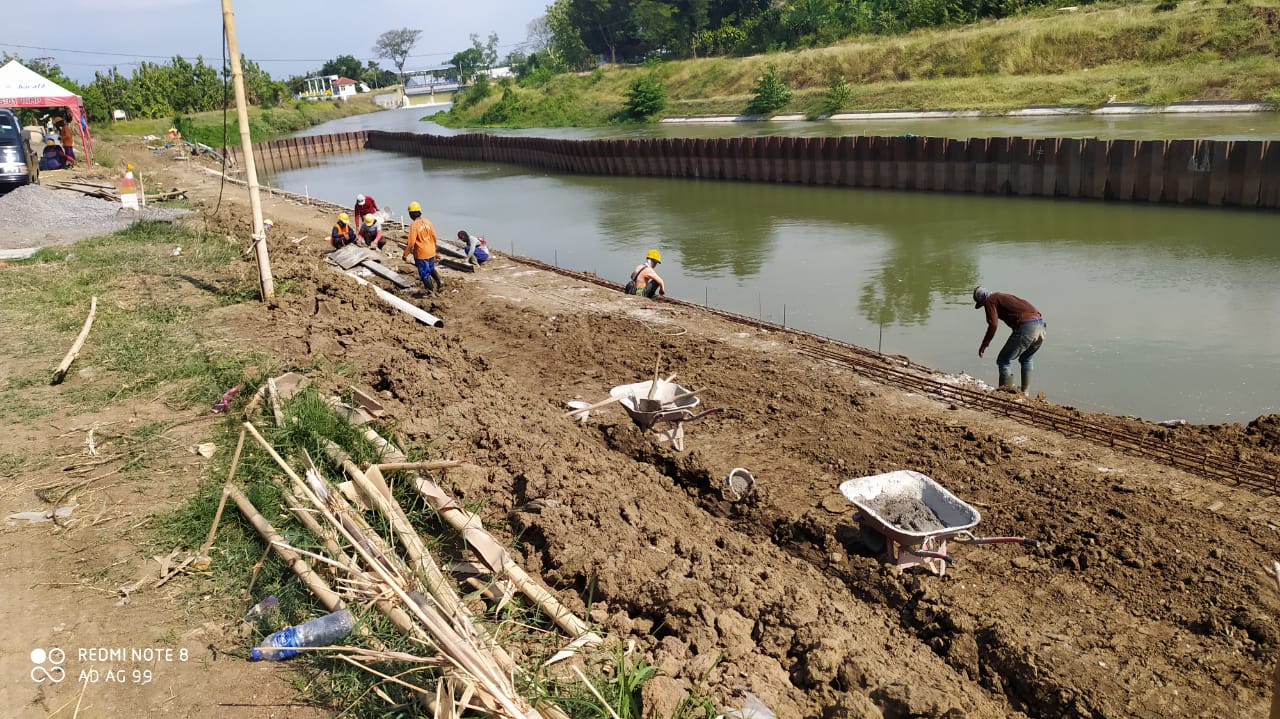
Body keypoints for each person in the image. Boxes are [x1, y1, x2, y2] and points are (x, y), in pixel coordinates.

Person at [973, 286, 1046, 394]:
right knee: (1026, 358)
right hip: (1041, 326)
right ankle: (1025, 393)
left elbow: (993, 324)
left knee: (1003, 360)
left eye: (982, 304)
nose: (985, 307)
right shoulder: (1003, 297)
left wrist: (985, 343)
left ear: (982, 299)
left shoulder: (990, 300)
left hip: (1027, 327)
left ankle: (1004, 394)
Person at [402, 201, 443, 295]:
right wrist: (434, 251)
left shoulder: (414, 225)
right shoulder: (428, 222)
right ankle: (440, 282)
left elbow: (411, 242)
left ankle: (430, 292)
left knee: (424, 274)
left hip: (422, 254)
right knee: (431, 268)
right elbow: (434, 237)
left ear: (411, 214)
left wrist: (405, 255)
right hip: (431, 251)